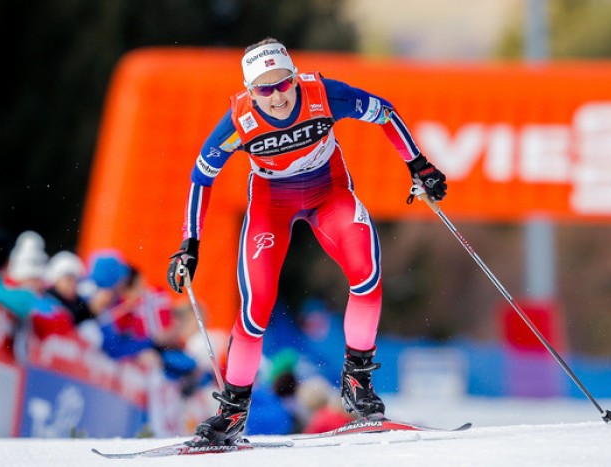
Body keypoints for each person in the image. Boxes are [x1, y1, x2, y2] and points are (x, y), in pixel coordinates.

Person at [166, 37, 447, 446]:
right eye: (265, 89)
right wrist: (190, 244)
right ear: (250, 92)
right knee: (255, 308)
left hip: (328, 193)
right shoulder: (239, 121)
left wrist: (419, 166)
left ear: (295, 78)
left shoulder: (324, 94)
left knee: (366, 275)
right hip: (270, 206)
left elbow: (384, 112)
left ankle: (357, 384)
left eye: (284, 84)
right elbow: (201, 177)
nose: (277, 96)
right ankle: (231, 413)